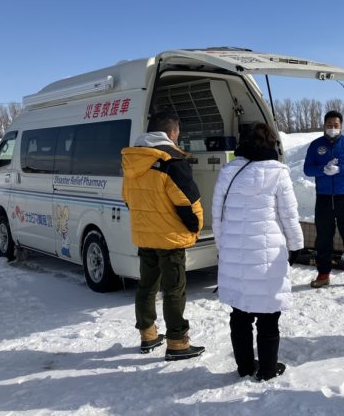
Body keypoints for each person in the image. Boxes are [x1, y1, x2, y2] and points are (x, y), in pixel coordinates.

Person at [212, 123, 304, 381]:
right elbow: (289, 214)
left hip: (234, 251)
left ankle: (244, 367)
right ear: (270, 143)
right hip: (268, 254)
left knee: (239, 313)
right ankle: (266, 369)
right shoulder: (278, 172)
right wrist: (296, 246)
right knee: (268, 314)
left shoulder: (228, 171)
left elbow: (217, 214)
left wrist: (223, 246)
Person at [121, 111, 205, 361]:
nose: (178, 136)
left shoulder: (132, 159)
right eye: (177, 132)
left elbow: (127, 198)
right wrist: (195, 227)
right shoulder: (172, 161)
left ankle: (148, 335)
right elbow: (188, 202)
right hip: (170, 237)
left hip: (145, 236)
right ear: (171, 133)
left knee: (146, 287)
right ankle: (178, 342)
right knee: (173, 290)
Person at [303, 110, 344, 288]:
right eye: (329, 125)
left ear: (341, 126)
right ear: (324, 126)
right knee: (323, 238)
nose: (332, 128)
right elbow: (307, 169)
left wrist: (340, 169)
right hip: (323, 197)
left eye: (335, 126)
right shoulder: (316, 145)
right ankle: (323, 274)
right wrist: (323, 169)